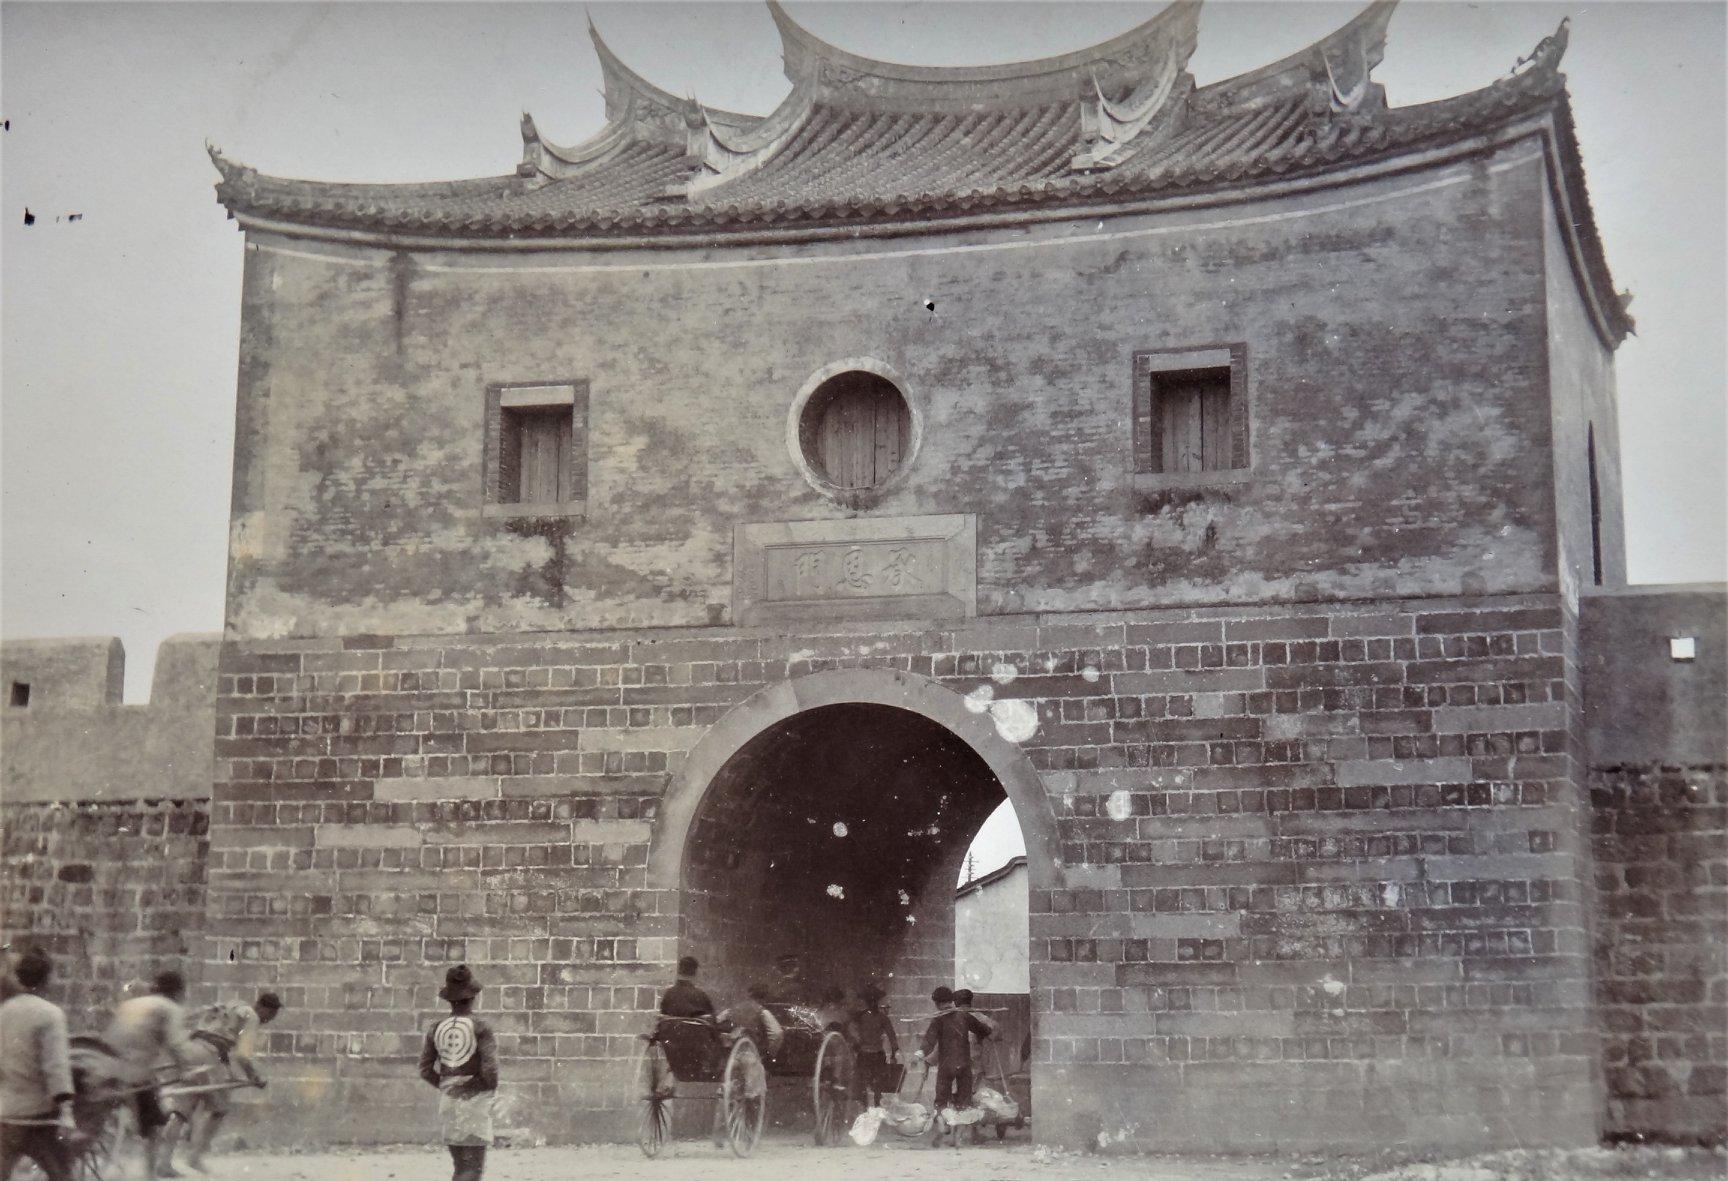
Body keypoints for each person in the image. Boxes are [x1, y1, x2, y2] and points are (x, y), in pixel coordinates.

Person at [169, 992, 282, 1172]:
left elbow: (216, 1037)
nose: (269, 1020)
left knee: (181, 1110)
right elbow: (242, 1056)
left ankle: (163, 1162)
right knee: (219, 1108)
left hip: (190, 1050)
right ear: (263, 1008)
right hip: (208, 1055)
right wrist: (255, 1077)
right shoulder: (252, 1017)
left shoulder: (233, 1005)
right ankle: (195, 1157)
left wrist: (227, 1071)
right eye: (271, 1015)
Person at [104, 970, 194, 1181]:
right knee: (154, 1125)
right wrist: (186, 1070)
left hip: (106, 1068)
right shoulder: (169, 1008)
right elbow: (176, 1045)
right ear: (178, 992)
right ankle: (150, 1175)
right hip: (135, 1074)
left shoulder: (132, 1003)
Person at [0, 948, 76, 1181]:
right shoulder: (50, 1014)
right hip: (38, 1117)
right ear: (47, 978)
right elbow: (56, 1066)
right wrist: (66, 1112)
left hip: (6, 1114)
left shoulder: (4, 1011)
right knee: (62, 1175)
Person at [417, 966, 497, 1181]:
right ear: (472, 997)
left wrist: (449, 1088)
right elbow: (490, 1071)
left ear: (449, 999)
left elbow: (425, 1070)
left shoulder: (436, 1028)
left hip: (448, 1100)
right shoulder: (481, 1026)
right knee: (473, 1169)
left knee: (460, 1167)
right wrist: (471, 1090)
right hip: (474, 1100)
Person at [913, 987, 993, 1147]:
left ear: (937, 1004)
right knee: (964, 1103)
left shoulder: (938, 1019)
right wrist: (987, 1029)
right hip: (964, 1065)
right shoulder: (964, 1016)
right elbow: (984, 1030)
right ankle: (958, 1139)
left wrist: (919, 1054)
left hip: (946, 1066)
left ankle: (942, 1123)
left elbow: (929, 1040)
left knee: (941, 1101)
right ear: (951, 1001)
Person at [844, 983, 899, 1107]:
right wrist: (893, 1054)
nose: (873, 1004)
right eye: (872, 1001)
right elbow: (892, 1038)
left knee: (866, 1081)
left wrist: (855, 1043)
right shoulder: (879, 1018)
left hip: (868, 1055)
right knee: (875, 1082)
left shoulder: (862, 1017)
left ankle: (869, 1106)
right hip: (873, 1054)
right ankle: (873, 1106)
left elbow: (892, 1036)